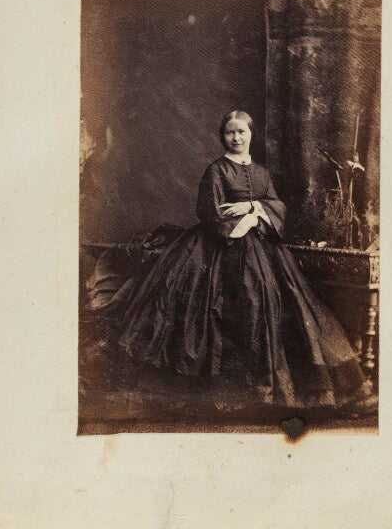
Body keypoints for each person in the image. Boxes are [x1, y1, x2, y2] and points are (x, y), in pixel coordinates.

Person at [94, 110, 377, 414]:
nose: (236, 138)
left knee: (272, 299)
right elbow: (211, 210)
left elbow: (276, 204)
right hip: (217, 246)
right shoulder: (217, 170)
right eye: (230, 132)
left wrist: (253, 207)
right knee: (215, 306)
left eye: (241, 132)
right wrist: (242, 219)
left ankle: (267, 387)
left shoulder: (261, 173)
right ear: (223, 136)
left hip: (259, 246)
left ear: (251, 134)